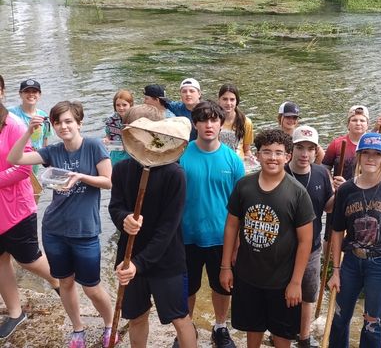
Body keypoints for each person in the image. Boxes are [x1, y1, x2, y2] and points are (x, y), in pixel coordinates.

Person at [7, 101, 115, 348]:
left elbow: (108, 182)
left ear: (79, 123)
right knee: (65, 282)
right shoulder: (53, 151)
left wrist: (80, 177)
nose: (64, 126)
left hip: (85, 230)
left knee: (92, 286)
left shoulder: (94, 146)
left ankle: (110, 324)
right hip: (54, 229)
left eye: (69, 121)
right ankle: (78, 330)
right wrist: (27, 131)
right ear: (53, 125)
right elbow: (14, 157)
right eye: (58, 122)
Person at [109, 105, 197, 348]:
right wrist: (124, 218)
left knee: (179, 318)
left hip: (166, 260)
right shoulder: (122, 169)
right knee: (136, 316)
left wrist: (139, 264)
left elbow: (168, 229)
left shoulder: (175, 174)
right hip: (129, 255)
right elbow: (115, 206)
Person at [220, 129, 315, 348]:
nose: (272, 157)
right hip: (247, 275)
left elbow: (305, 241)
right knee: (252, 328)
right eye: (267, 152)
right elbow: (232, 225)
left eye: (278, 153)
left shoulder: (297, 193)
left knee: (282, 334)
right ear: (257, 154)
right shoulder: (244, 186)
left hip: (282, 280)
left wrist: (296, 282)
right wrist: (225, 267)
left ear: (287, 156)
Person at [327, 132, 381, 348]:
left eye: (377, 154)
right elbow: (337, 231)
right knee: (339, 317)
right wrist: (335, 270)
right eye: (366, 154)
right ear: (359, 157)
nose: (371, 159)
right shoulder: (346, 190)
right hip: (352, 263)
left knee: (372, 323)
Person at [179, 100, 244, 348]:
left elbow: (240, 205)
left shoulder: (233, 160)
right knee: (188, 287)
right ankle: (186, 328)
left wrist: (238, 242)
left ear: (221, 124)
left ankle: (220, 326)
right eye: (203, 120)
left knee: (222, 286)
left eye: (214, 120)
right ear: (195, 124)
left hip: (222, 237)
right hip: (187, 236)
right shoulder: (181, 155)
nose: (209, 125)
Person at [0, 103, 59, 340]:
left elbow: (24, 168)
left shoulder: (13, 124)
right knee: (1, 259)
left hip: (16, 207)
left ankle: (57, 280)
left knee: (29, 258)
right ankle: (15, 312)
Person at [285, 126, 334, 348]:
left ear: (316, 152)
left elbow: (328, 207)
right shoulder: (281, 171)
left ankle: (304, 338)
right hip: (283, 248)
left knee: (308, 295)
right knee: (282, 293)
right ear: (292, 149)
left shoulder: (322, 173)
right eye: (300, 148)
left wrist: (340, 193)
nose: (305, 154)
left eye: (310, 149)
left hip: (312, 247)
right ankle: (282, 332)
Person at [8, 79, 51, 173]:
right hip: (13, 161)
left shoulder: (43, 116)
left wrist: (47, 162)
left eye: (34, 91)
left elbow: (45, 139)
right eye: (27, 91)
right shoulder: (10, 113)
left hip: (33, 162)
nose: (31, 94)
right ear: (20, 94)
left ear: (39, 94)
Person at [217, 83, 254, 159]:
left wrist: (250, 158)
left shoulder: (246, 122)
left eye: (232, 99)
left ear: (237, 101)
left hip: (238, 163)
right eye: (225, 99)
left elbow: (246, 150)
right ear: (219, 100)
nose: (228, 103)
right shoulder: (212, 121)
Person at [103, 89, 134, 165]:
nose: (121, 108)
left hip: (131, 156)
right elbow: (108, 136)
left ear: (131, 105)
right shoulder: (111, 120)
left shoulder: (135, 120)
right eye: (118, 105)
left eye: (124, 105)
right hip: (115, 155)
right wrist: (106, 140)